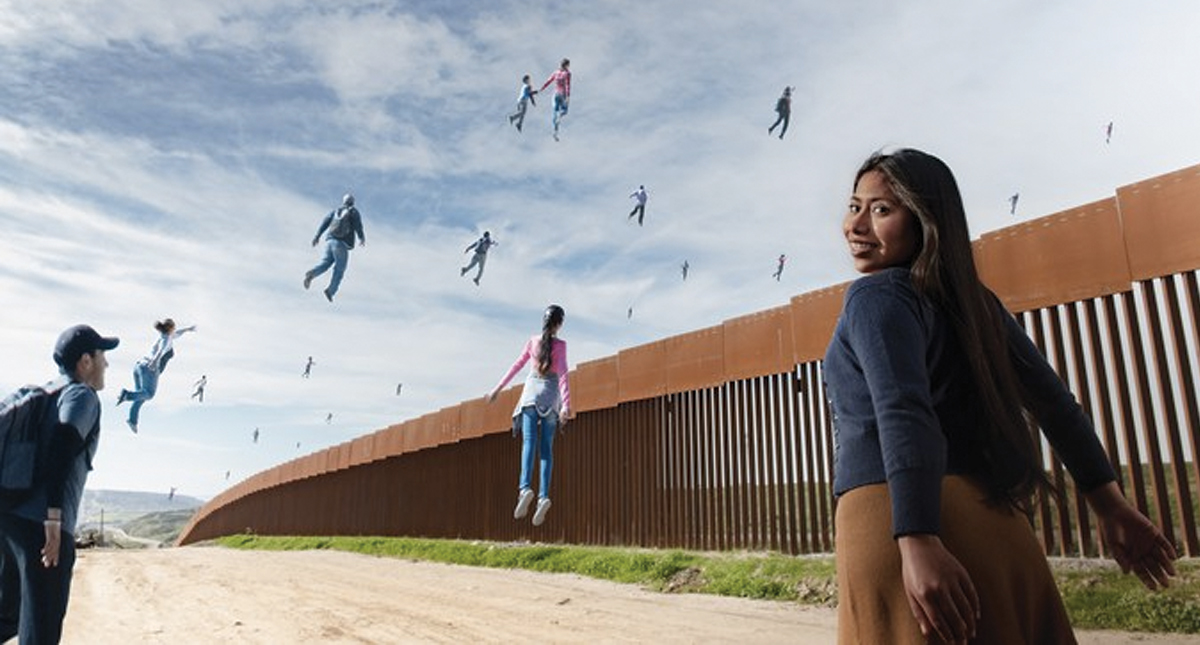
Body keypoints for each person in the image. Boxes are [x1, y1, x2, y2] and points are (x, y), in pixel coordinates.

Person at [825, 148, 1177, 645]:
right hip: (997, 525)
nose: (856, 225)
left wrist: (917, 537)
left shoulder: (875, 296)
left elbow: (903, 409)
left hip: (897, 523)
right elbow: (1055, 404)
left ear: (926, 222)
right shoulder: (976, 304)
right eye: (855, 205)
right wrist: (1111, 506)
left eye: (882, 210)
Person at [0, 324, 118, 644]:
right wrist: (53, 518)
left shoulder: (45, 395)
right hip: (42, 533)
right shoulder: (82, 394)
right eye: (102, 356)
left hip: (8, 521)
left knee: (6, 619)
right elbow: (64, 441)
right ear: (85, 361)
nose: (106, 364)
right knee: (40, 632)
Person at [488, 305, 572, 527]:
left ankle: (525, 489)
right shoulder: (561, 346)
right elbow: (563, 376)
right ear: (559, 324)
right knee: (546, 450)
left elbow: (516, 366)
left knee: (529, 443)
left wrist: (498, 388)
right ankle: (543, 496)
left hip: (530, 394)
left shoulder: (533, 341)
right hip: (551, 396)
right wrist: (566, 406)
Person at [117, 319, 196, 433]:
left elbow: (178, 333)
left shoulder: (166, 335)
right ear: (170, 328)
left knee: (140, 396)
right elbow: (161, 350)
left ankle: (132, 420)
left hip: (139, 366)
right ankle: (126, 395)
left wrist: (188, 329)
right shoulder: (166, 339)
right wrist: (155, 361)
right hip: (150, 368)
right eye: (174, 328)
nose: (175, 330)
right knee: (149, 394)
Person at [303, 193, 366, 302]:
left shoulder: (335, 211)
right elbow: (357, 225)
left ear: (343, 201)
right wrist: (361, 237)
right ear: (352, 202)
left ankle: (312, 273)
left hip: (329, 241)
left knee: (325, 263)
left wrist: (317, 236)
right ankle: (331, 291)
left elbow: (325, 222)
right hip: (341, 244)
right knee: (339, 269)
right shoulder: (353, 211)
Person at [539, 58, 571, 141]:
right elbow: (567, 85)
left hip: (555, 95)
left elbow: (548, 81)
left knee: (555, 113)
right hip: (562, 95)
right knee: (564, 111)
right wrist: (568, 96)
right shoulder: (567, 73)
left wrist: (541, 89)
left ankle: (555, 132)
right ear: (567, 65)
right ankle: (560, 116)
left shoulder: (555, 72)